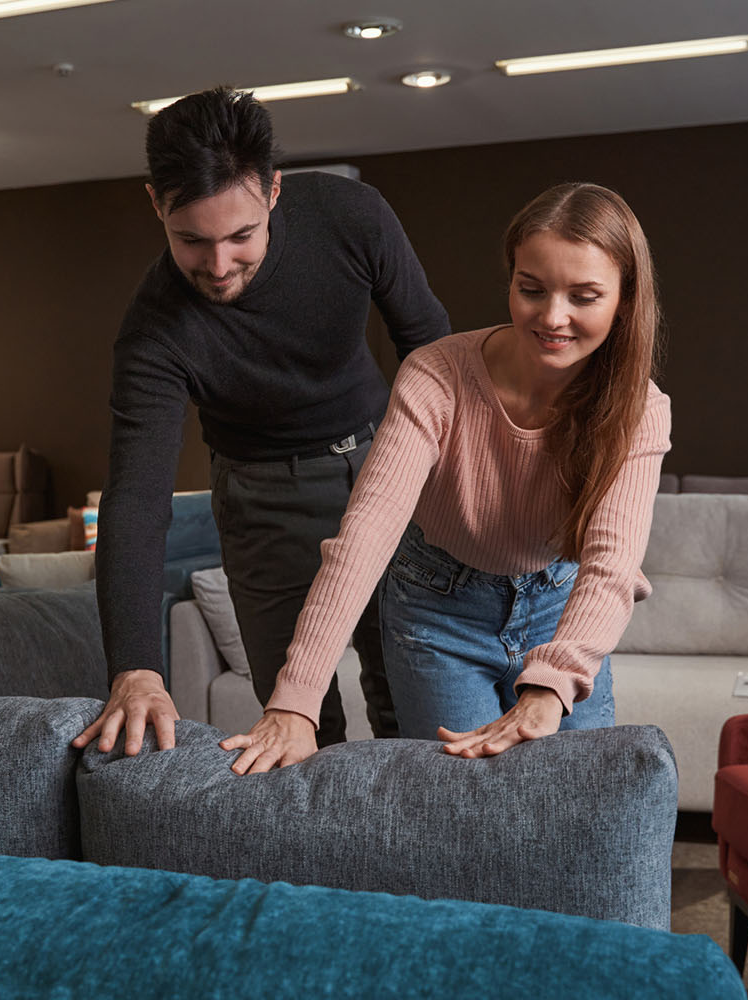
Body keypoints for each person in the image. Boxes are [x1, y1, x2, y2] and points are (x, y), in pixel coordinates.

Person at [221, 181, 671, 774]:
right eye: (531, 289)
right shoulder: (437, 375)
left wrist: (552, 683)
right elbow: (366, 536)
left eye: (584, 296)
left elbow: (611, 564)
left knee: (575, 799)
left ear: (625, 299)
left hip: (560, 608)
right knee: (460, 807)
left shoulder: (640, 407)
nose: (552, 317)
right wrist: (296, 701)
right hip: (438, 612)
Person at [72, 87, 450, 758]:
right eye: (192, 240)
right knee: (296, 725)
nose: (219, 267)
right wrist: (135, 668)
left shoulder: (351, 215)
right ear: (156, 204)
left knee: (408, 701)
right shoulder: (154, 332)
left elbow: (431, 349)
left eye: (240, 236)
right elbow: (137, 497)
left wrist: (451, 482)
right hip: (260, 499)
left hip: (385, 466)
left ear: (274, 190)